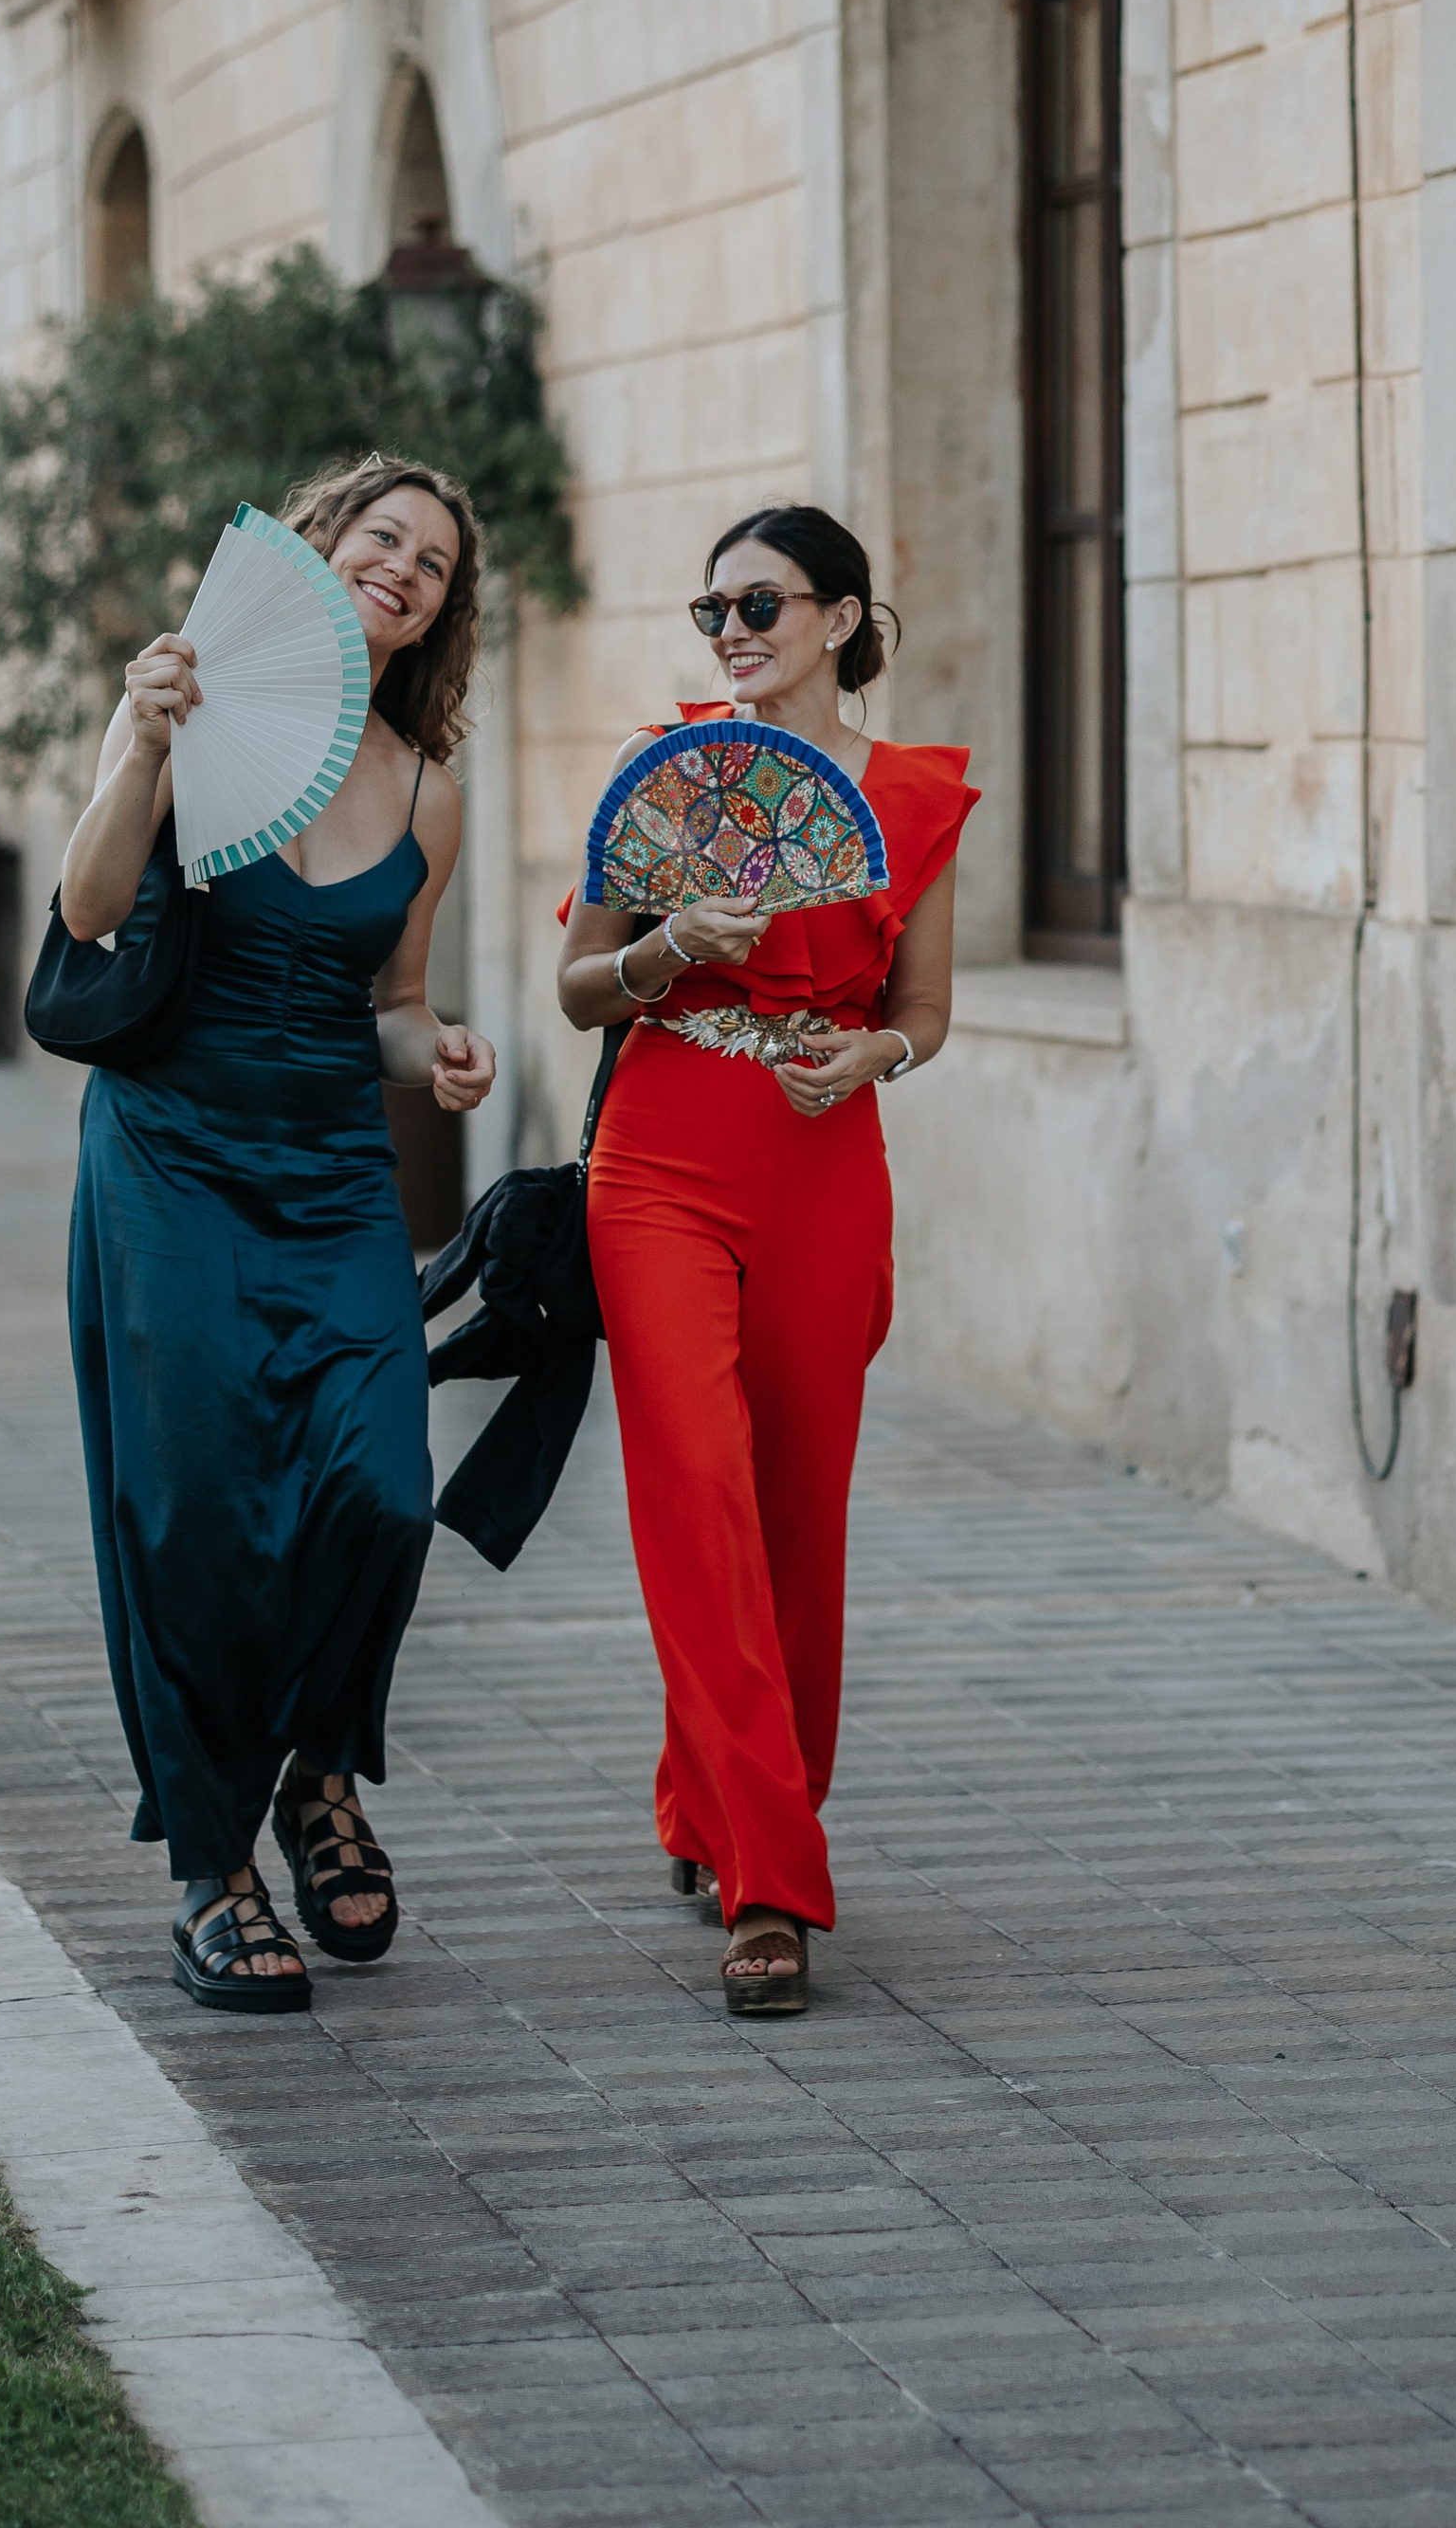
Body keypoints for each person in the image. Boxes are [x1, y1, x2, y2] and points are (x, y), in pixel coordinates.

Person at [59, 455, 495, 2014]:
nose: (403, 569)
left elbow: (391, 1001)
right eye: (382, 536)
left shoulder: (426, 793)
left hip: (329, 1176)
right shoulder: (186, 708)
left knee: (379, 1489)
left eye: (434, 564)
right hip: (169, 1161)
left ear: (441, 612)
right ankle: (213, 1865)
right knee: (194, 1517)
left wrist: (435, 1050)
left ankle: (320, 1771)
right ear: (316, 546)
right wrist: (145, 747)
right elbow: (94, 905)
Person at [557, 504, 975, 2019]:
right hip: (661, 1152)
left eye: (760, 605)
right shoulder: (668, 774)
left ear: (843, 620)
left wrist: (874, 1052)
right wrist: (668, 950)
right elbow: (577, 988)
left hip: (820, 1160)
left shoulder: (918, 800)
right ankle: (771, 1886)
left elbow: (925, 1009)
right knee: (694, 1490)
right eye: (712, 611)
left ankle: (714, 1798)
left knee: (796, 1506)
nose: (731, 633)